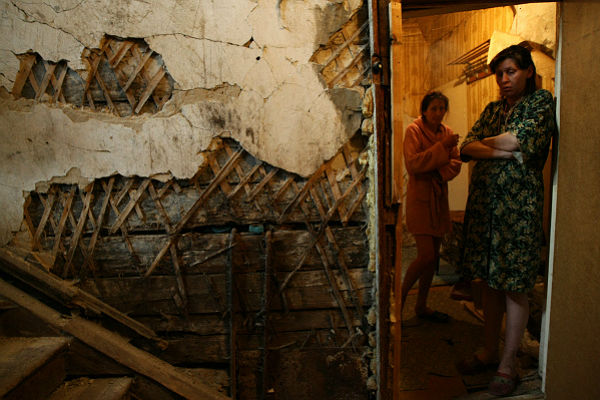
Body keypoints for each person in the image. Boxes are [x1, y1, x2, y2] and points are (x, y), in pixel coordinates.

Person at [456, 45, 556, 396]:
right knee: (490, 282)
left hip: (517, 213)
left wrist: (497, 146)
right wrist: (503, 152)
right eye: (499, 74)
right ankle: (489, 351)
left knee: (514, 285)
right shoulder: (493, 110)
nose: (503, 79)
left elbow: (517, 140)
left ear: (527, 71)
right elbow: (466, 147)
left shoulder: (540, 103)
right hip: (487, 212)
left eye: (510, 71)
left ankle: (508, 365)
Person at [402, 91, 461, 323]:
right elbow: (413, 164)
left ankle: (421, 305)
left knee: (433, 256)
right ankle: (398, 300)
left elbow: (456, 163)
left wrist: (436, 170)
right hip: (420, 199)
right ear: (424, 110)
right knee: (425, 255)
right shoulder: (414, 131)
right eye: (433, 108)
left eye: (441, 108)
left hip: (439, 198)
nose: (438, 113)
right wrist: (442, 149)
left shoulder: (447, 132)